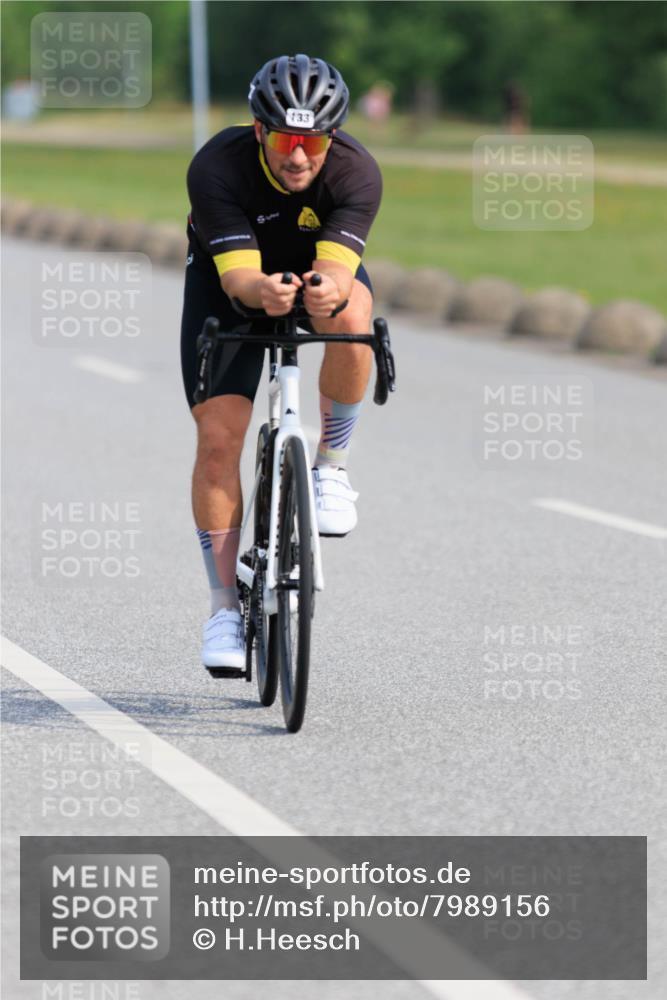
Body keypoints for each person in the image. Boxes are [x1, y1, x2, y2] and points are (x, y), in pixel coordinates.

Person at [181, 54, 383, 670]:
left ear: (334, 137)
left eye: (313, 141)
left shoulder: (356, 173)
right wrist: (260, 290)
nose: (298, 157)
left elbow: (340, 271)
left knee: (351, 318)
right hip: (229, 283)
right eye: (285, 140)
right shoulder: (217, 164)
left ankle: (330, 467)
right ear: (259, 129)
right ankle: (222, 609)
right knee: (219, 439)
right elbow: (241, 277)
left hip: (315, 269)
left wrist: (329, 290)